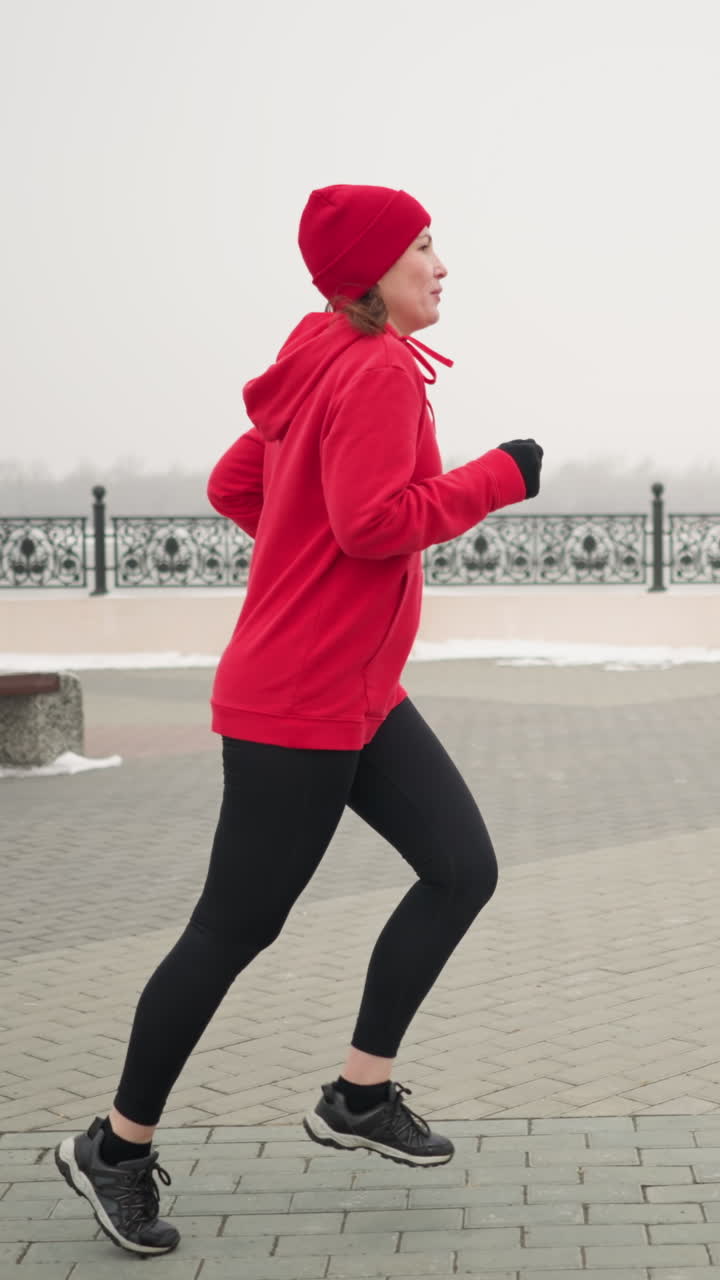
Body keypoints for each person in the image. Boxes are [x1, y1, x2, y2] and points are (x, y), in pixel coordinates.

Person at [54, 183, 544, 1257]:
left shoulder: (321, 352)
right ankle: (116, 1147)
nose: (442, 263)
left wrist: (302, 554)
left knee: (462, 866)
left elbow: (240, 482)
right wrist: (498, 477)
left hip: (357, 691)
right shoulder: (368, 368)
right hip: (299, 701)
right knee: (234, 927)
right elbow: (373, 525)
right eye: (423, 246)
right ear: (373, 271)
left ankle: (359, 1094)